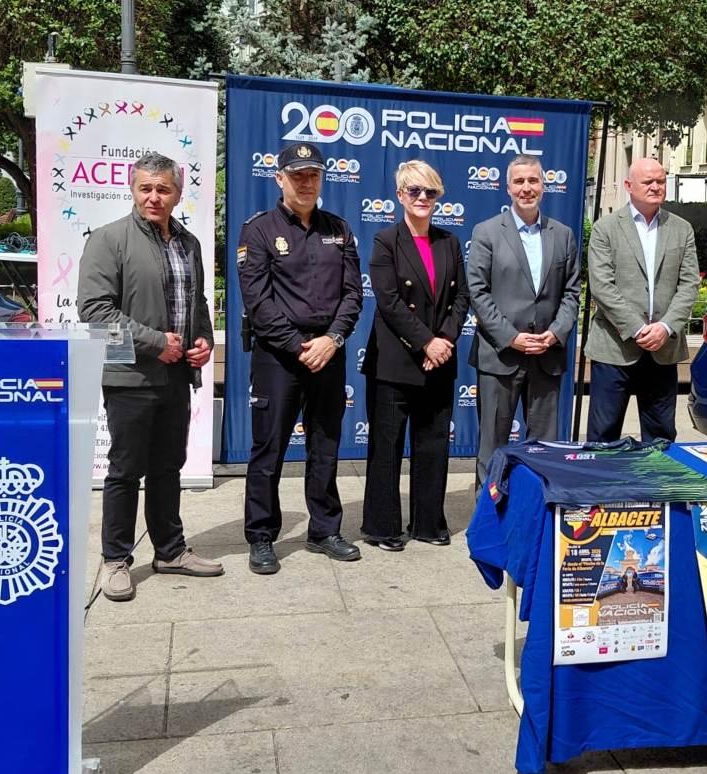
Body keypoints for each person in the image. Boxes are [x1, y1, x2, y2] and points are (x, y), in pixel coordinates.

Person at [77, 152, 222, 602]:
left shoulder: (189, 242)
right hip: (130, 376)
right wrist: (155, 341)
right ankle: (115, 560)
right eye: (146, 188)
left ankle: (170, 550)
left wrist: (203, 339)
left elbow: (196, 301)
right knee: (125, 471)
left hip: (176, 376)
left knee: (167, 468)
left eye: (163, 189)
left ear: (177, 193)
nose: (154, 197)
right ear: (133, 189)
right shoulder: (109, 239)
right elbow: (94, 310)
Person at [237, 143, 363, 574]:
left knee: (325, 446)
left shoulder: (339, 229)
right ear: (280, 179)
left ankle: (324, 530)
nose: (306, 182)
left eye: (313, 175)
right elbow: (258, 302)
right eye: (297, 175)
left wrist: (332, 339)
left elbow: (353, 294)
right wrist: (298, 345)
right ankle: (261, 536)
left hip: (329, 353)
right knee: (268, 449)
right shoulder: (258, 230)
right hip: (279, 357)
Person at [361, 160, 469, 550]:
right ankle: (383, 526)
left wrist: (444, 341)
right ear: (400, 195)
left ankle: (428, 522)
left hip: (439, 360)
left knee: (434, 444)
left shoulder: (450, 241)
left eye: (430, 191)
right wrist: (427, 343)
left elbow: (462, 297)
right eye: (414, 190)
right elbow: (389, 302)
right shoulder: (385, 241)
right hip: (394, 362)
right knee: (386, 448)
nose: (422, 197)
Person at [467, 155, 580, 488]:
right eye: (519, 181)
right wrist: (511, 337)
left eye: (533, 180)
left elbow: (572, 293)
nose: (526, 188)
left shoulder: (563, 235)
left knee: (544, 449)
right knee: (493, 447)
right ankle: (489, 511)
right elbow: (478, 292)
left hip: (547, 356)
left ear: (543, 186)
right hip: (501, 356)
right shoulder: (487, 232)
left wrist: (555, 334)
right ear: (508, 188)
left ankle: (538, 509)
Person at [585, 157, 700, 442]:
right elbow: (602, 287)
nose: (655, 187)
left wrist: (665, 327)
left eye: (660, 181)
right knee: (603, 438)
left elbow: (689, 284)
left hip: (663, 348)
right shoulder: (605, 228)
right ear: (629, 186)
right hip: (614, 348)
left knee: (660, 440)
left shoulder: (682, 229)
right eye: (648, 181)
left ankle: (655, 476)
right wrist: (637, 329)